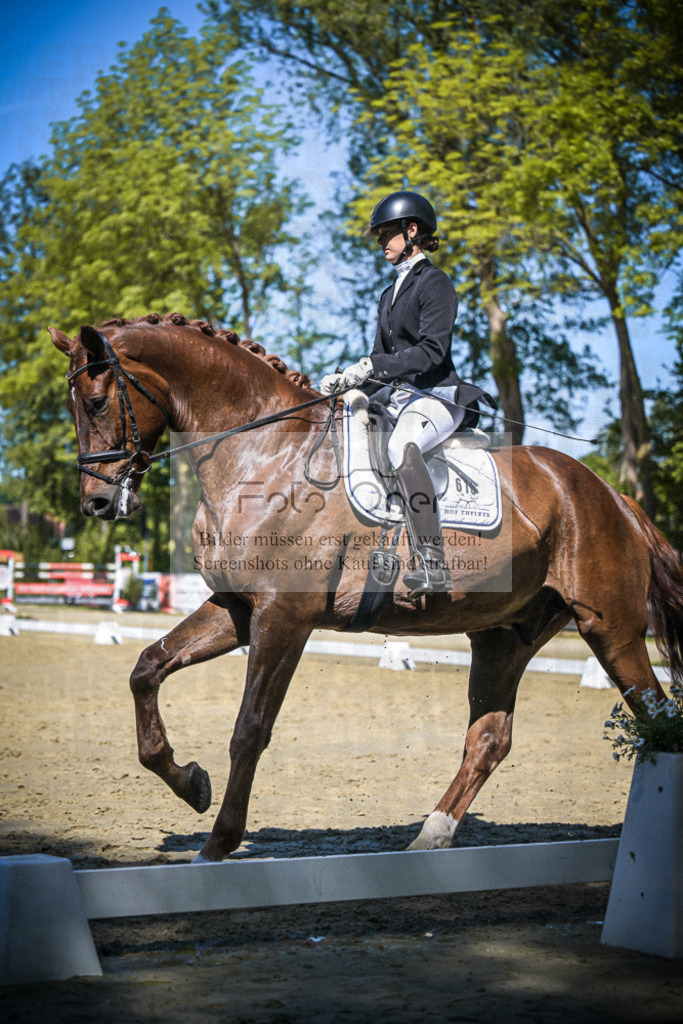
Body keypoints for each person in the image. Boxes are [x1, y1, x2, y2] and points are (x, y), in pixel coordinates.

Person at [321, 190, 496, 598]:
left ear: (411, 230)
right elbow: (381, 361)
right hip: (399, 400)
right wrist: (348, 381)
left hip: (438, 396)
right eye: (379, 236)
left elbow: (432, 350)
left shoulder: (436, 283)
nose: (381, 243)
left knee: (402, 445)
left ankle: (434, 563)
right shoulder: (388, 295)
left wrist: (372, 366)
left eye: (387, 234)